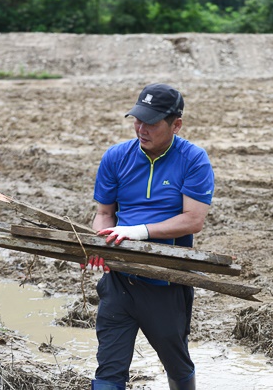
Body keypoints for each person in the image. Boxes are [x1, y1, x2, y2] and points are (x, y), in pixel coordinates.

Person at [86, 83, 215, 390]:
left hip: (166, 280)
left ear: (176, 125)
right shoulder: (116, 157)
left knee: (176, 362)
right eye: (138, 119)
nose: (141, 129)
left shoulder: (193, 159)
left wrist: (138, 232)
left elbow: (193, 220)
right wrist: (97, 244)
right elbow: (104, 213)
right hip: (119, 279)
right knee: (109, 370)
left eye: (152, 123)